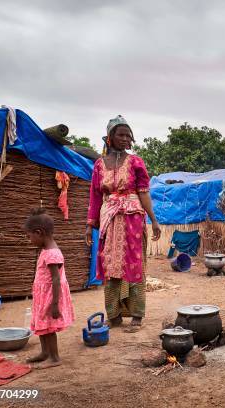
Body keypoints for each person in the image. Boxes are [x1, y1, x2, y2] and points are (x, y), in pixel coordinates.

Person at [85, 115, 161, 332]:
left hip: (133, 217)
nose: (126, 138)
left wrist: (153, 220)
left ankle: (137, 314)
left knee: (134, 264)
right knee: (110, 266)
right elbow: (95, 196)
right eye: (121, 134)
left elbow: (144, 193)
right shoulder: (99, 165)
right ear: (110, 137)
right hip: (109, 218)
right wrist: (90, 224)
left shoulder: (136, 162)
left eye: (129, 135)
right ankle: (114, 314)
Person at [24, 208, 74, 369]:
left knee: (49, 326)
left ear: (39, 232)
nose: (29, 239)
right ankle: (45, 353)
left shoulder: (53, 253)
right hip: (43, 294)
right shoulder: (46, 250)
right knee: (42, 323)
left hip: (51, 295)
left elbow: (56, 279)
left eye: (29, 236)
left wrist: (54, 304)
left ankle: (54, 357)